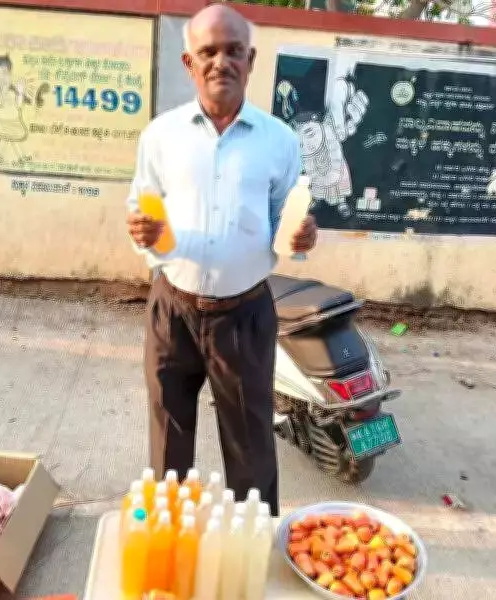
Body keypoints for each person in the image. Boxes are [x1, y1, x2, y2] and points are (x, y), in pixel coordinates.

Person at [125, 4, 317, 516]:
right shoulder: (160, 137)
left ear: (250, 60)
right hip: (172, 310)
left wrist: (301, 236)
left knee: (251, 446)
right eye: (208, 52)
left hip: (244, 315)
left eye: (233, 51)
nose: (220, 62)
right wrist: (143, 231)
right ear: (190, 63)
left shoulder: (279, 141)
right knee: (169, 442)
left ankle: (253, 553)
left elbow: (285, 229)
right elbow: (142, 213)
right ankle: (169, 548)